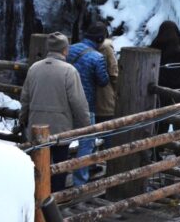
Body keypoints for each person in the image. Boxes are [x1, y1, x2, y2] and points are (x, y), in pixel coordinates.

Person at [20, 33, 90, 192]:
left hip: (36, 126)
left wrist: (22, 119)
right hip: (60, 128)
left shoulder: (34, 68)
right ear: (65, 50)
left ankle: (36, 198)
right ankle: (55, 202)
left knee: (37, 166)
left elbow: (25, 98)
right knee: (59, 167)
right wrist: (86, 125)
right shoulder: (69, 71)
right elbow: (78, 102)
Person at [64, 23, 109, 187]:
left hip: (65, 103)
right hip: (86, 105)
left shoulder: (68, 49)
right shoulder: (97, 57)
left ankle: (57, 180)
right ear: (99, 39)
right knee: (86, 143)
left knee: (62, 141)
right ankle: (79, 183)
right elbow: (103, 81)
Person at [150, 21, 180, 139]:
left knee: (160, 121)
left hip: (159, 91)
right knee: (179, 121)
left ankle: (157, 149)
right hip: (178, 91)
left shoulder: (153, 49)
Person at [94, 24, 119, 155]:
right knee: (109, 130)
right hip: (106, 95)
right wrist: (118, 91)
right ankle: (110, 160)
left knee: (93, 132)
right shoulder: (108, 48)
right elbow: (113, 72)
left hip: (92, 97)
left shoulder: (88, 47)